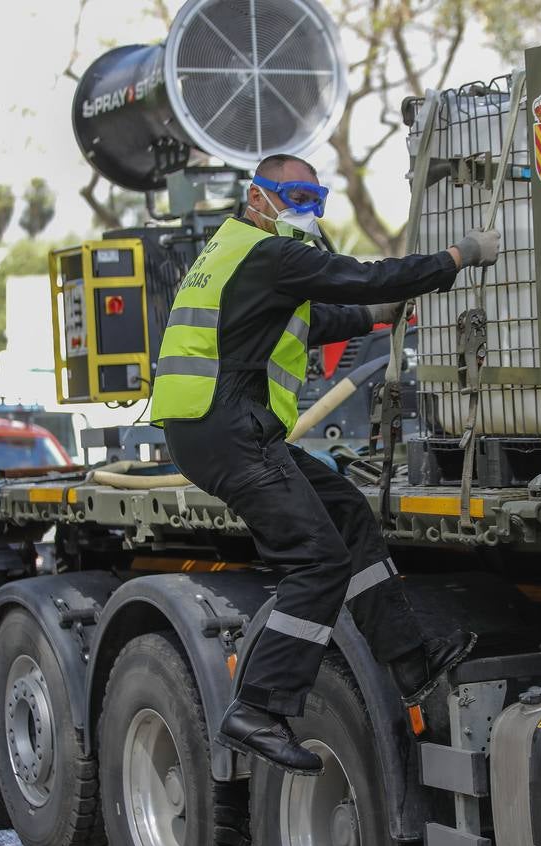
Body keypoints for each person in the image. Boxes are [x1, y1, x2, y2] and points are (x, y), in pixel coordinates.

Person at [150, 153, 501, 774]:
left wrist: (383, 313)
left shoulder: (233, 253)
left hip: (217, 429)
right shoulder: (272, 254)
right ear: (257, 196)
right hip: (228, 430)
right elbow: (366, 278)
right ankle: (256, 707)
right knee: (316, 561)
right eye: (294, 195)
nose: (306, 208)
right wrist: (457, 257)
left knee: (346, 514)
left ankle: (409, 659)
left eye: (316, 197)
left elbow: (315, 320)